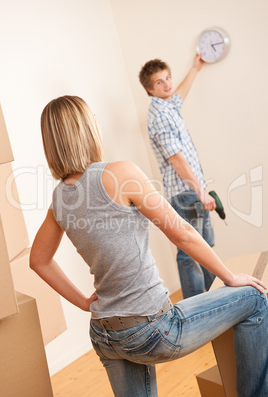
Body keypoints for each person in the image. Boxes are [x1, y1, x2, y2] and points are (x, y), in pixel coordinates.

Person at [30, 95, 268, 397]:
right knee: (253, 298)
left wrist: (84, 303)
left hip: (105, 334)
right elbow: (180, 233)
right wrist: (230, 277)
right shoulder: (119, 172)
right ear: (87, 129)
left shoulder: (59, 199)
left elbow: (38, 260)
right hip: (153, 329)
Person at [139, 54, 217, 299]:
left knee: (204, 248)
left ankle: (220, 299)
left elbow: (180, 93)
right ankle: (197, 309)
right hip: (186, 194)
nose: (167, 84)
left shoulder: (168, 105)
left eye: (168, 78)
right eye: (160, 82)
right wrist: (200, 191)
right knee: (190, 253)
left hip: (193, 190)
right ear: (150, 89)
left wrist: (195, 68)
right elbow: (176, 158)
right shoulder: (159, 115)